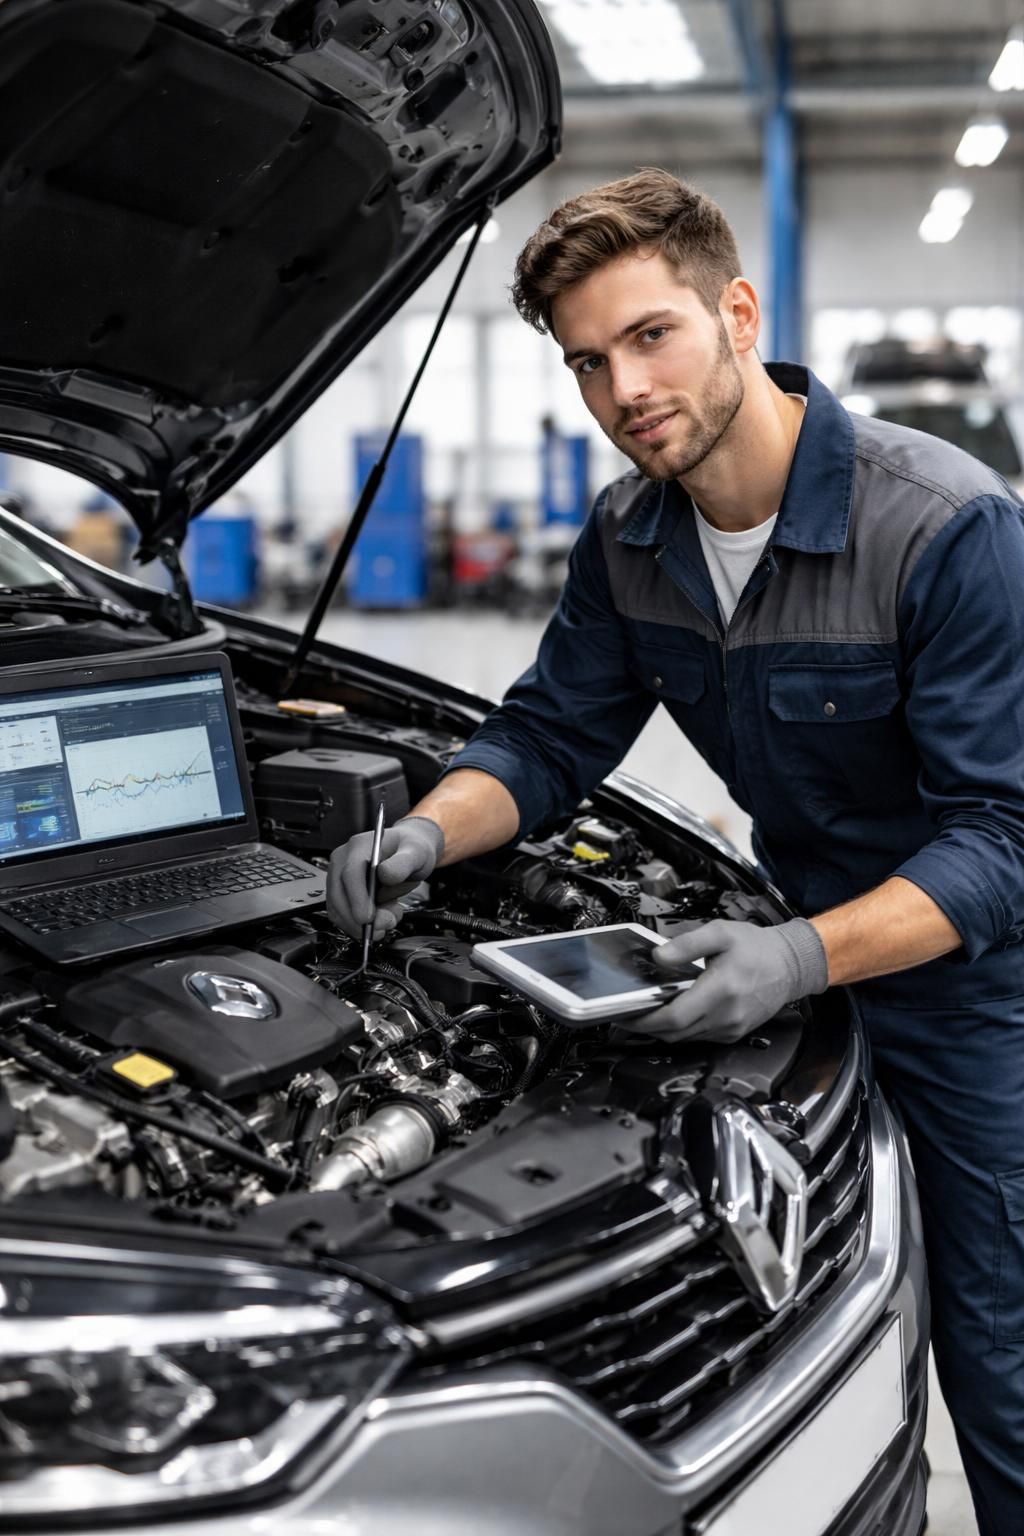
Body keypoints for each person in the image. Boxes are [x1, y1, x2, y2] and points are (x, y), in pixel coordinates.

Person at [327, 169, 1024, 1534]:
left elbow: (1005, 840)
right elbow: (544, 740)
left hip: (968, 994)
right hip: (785, 969)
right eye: (590, 361)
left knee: (1000, 1367)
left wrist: (800, 956)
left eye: (651, 337)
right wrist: (425, 829)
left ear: (738, 313)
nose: (624, 388)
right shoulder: (630, 538)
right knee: (819, 1325)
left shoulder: (940, 526)